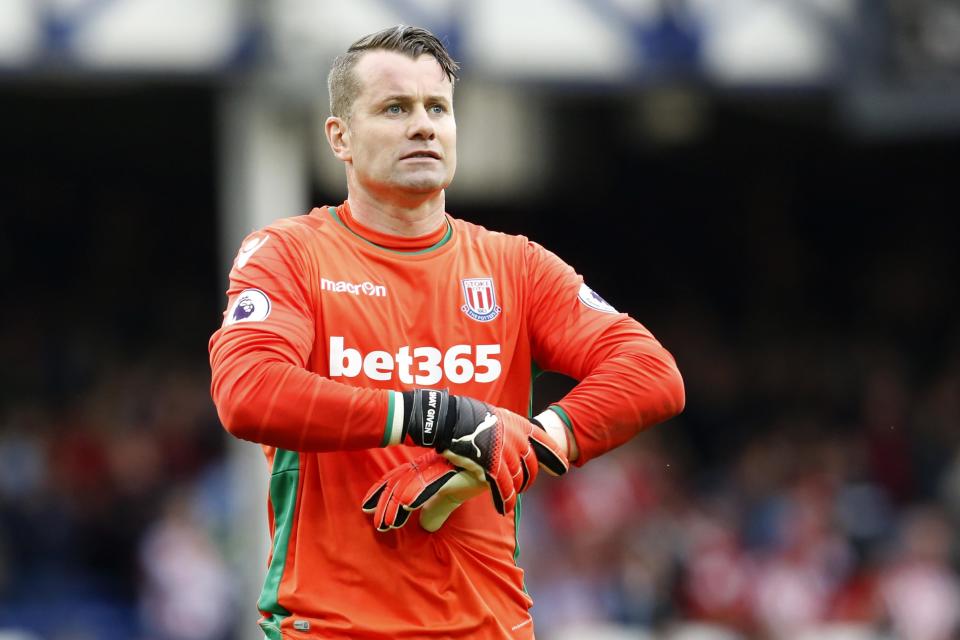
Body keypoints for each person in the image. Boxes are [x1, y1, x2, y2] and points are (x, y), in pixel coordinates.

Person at [208, 24, 685, 640]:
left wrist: (525, 442)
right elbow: (248, 393)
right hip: (330, 630)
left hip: (490, 628)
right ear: (340, 138)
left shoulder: (514, 264)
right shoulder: (289, 253)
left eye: (438, 107)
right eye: (395, 108)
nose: (423, 125)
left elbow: (652, 373)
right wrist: (439, 417)